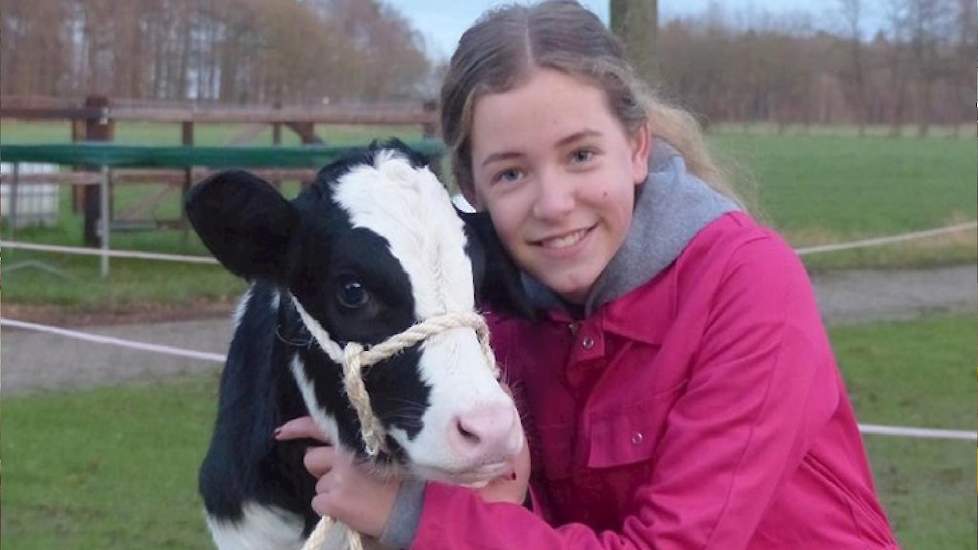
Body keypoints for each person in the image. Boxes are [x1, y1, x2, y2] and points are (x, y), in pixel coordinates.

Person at [275, 1, 899, 548]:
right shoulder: (481, 324)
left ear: (636, 148)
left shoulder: (744, 283)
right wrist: (380, 450)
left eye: (580, 155)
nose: (554, 203)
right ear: (471, 188)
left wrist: (408, 511)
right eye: (512, 173)